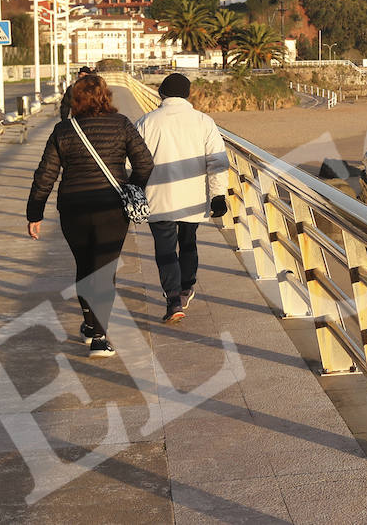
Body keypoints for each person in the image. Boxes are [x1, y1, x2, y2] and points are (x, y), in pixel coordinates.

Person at [28, 73, 153, 358]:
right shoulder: (121, 124)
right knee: (104, 270)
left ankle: (89, 324)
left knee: (85, 266)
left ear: (76, 99)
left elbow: (45, 174)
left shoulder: (64, 129)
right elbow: (145, 163)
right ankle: (99, 336)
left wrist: (34, 212)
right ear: (106, 96)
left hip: (73, 208)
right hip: (111, 208)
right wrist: (131, 189)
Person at [135, 73, 229, 323]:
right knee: (188, 242)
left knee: (164, 248)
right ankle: (187, 287)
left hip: (158, 198)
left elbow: (132, 162)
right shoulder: (203, 121)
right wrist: (218, 195)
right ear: (187, 95)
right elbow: (217, 161)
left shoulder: (146, 122)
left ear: (161, 94)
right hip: (192, 197)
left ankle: (173, 299)